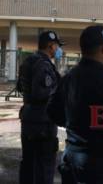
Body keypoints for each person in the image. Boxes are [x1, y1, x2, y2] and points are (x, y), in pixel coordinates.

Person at [47, 25, 103, 184]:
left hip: (71, 162)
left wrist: (74, 123)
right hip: (100, 168)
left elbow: (53, 112)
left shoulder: (68, 79)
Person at [17, 31, 64, 184]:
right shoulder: (43, 65)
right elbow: (41, 93)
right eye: (57, 46)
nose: (58, 50)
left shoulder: (28, 61)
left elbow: (20, 87)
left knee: (29, 164)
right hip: (42, 123)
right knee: (44, 166)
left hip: (28, 119)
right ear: (50, 46)